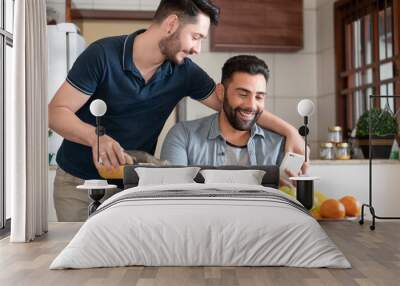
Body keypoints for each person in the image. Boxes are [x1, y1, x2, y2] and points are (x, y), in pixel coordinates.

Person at [48, 0, 305, 222]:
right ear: (171, 24)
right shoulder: (102, 55)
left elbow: (233, 106)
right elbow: (56, 112)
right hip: (78, 185)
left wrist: (290, 131)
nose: (197, 48)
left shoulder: (184, 72)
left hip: (132, 186)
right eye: (196, 37)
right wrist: (96, 138)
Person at [161, 55, 285, 167]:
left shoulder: (279, 145)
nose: (251, 105)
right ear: (221, 92)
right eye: (243, 94)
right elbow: (174, 191)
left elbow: (289, 189)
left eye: (259, 97)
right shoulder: (183, 136)